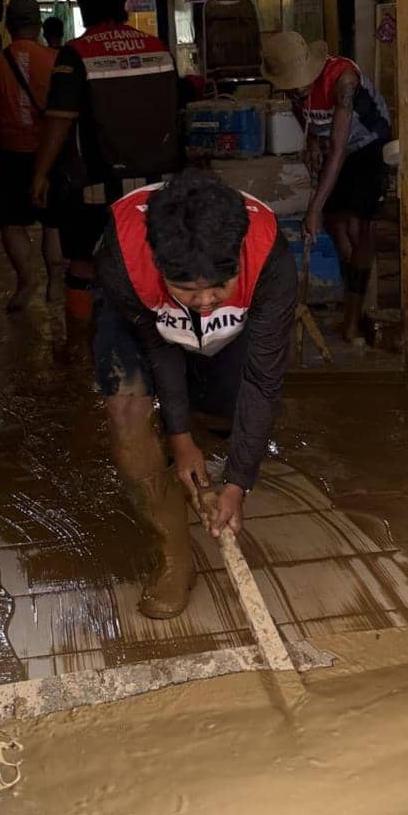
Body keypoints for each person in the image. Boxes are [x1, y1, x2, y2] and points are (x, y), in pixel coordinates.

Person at [93, 168, 297, 620]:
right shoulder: (124, 255)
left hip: (227, 326)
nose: (204, 301)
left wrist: (239, 483)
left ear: (237, 264)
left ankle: (201, 471)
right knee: (127, 410)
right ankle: (174, 554)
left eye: (216, 288)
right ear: (160, 266)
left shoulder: (268, 256)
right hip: (140, 321)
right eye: (187, 289)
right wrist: (179, 439)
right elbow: (157, 345)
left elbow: (264, 381)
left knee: (229, 407)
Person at [31, 0, 178, 318]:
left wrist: (40, 173)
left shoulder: (76, 53)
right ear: (122, 3)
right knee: (152, 263)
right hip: (159, 184)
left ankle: (79, 354)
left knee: (83, 266)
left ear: (82, 6)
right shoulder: (157, 48)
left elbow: (59, 122)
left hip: (96, 188)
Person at [261, 31, 391, 342]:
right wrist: (311, 141)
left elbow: (339, 148)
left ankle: (351, 320)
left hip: (367, 146)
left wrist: (314, 208)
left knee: (359, 228)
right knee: (337, 227)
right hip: (335, 148)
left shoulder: (343, 80)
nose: (297, 90)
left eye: (300, 82)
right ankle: (356, 304)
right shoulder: (292, 88)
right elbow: (303, 114)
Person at [0, 0, 63, 311]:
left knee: (11, 222)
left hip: (10, 153)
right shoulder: (54, 60)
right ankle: (56, 285)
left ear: (8, 26)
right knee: (53, 221)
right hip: (49, 153)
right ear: (37, 26)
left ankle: (25, 282)